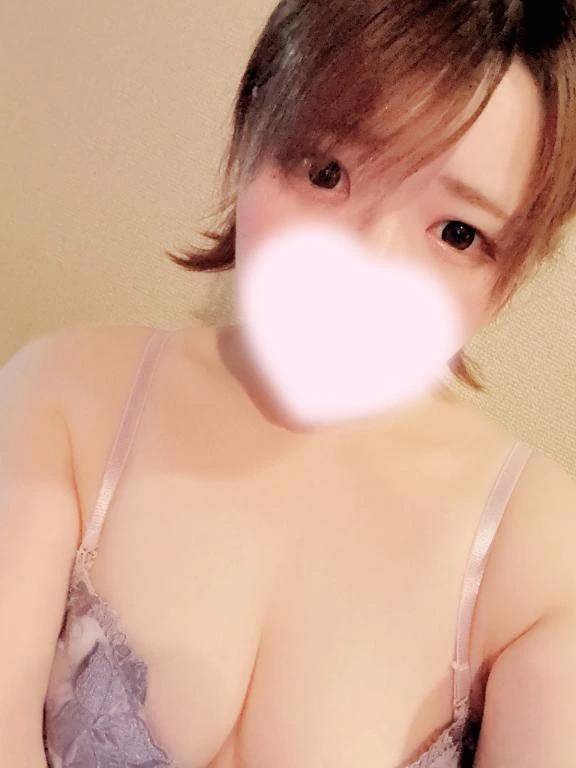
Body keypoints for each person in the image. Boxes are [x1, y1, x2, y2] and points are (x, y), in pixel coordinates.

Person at [1, 1, 575, 766]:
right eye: (326, 173)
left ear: (508, 278)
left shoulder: (538, 554)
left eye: (458, 233)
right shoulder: (63, 401)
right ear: (250, 136)